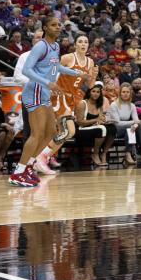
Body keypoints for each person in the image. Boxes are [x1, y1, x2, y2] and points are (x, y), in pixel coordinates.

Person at [9, 17, 88, 187]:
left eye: (59, 25)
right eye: (53, 25)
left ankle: (29, 166)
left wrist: (76, 74)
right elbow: (26, 70)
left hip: (44, 93)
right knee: (37, 134)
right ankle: (18, 172)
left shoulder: (56, 46)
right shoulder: (41, 46)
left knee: (51, 131)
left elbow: (56, 68)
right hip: (35, 91)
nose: (58, 27)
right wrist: (48, 83)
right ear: (45, 27)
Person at [33, 35, 95, 175]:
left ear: (88, 45)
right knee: (69, 131)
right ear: (76, 44)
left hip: (71, 99)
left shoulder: (90, 62)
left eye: (85, 41)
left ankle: (43, 159)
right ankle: (41, 157)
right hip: (59, 96)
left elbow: (89, 85)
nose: (83, 44)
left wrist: (94, 76)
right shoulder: (68, 58)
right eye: (80, 41)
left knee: (62, 132)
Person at [107, 83, 141, 165]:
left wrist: (135, 125)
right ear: (120, 93)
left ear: (130, 93)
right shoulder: (114, 105)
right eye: (123, 92)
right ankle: (128, 154)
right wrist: (134, 123)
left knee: (140, 128)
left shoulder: (132, 105)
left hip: (127, 128)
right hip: (116, 129)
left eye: (127, 92)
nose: (125, 94)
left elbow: (136, 120)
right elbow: (118, 123)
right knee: (131, 128)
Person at [75, 83, 115, 167]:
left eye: (98, 92)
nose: (95, 94)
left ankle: (104, 153)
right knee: (101, 129)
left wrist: (103, 120)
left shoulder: (99, 104)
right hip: (82, 130)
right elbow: (79, 122)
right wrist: (96, 120)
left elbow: (99, 119)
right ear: (89, 92)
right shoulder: (82, 104)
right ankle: (95, 154)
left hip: (94, 129)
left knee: (112, 128)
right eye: (93, 91)